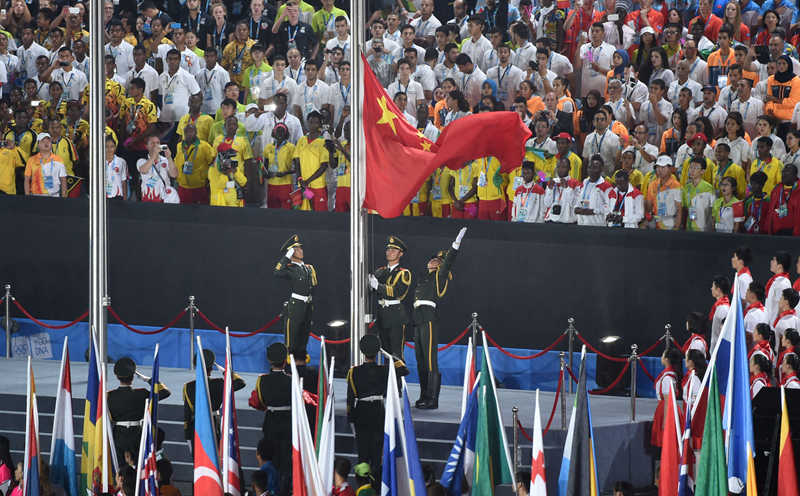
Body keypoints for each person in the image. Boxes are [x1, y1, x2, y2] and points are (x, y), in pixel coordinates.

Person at [414, 227, 467, 409]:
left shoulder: (440, 276)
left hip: (429, 319)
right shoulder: (424, 277)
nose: (433, 260)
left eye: (437, 260)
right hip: (418, 319)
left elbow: (448, 262)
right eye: (432, 258)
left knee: (430, 360)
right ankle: (423, 395)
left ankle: (432, 399)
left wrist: (455, 245)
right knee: (420, 360)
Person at [108, 356, 171, 466]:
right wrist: (148, 379)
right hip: (137, 434)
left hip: (118, 435)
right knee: (138, 466)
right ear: (133, 376)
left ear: (116, 376)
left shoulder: (109, 395)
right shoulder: (142, 393)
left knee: (120, 467)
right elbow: (165, 392)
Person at [346, 334, 390, 477]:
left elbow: (350, 399)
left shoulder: (354, 371)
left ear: (362, 351)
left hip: (362, 413)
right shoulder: (384, 370)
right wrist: (386, 354)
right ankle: (376, 485)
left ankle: (362, 483)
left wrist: (351, 419)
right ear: (377, 351)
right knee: (377, 453)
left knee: (363, 453)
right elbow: (403, 369)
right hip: (378, 411)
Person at [249, 343, 291, 488]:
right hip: (288, 423)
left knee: (270, 458)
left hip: (271, 422)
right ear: (285, 360)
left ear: (269, 360)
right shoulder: (292, 380)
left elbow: (257, 403)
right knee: (285, 459)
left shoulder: (262, 380)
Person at [183, 348, 246, 446]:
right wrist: (225, 372)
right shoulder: (219, 384)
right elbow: (240, 383)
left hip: (196, 425)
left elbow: (187, 413)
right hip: (213, 424)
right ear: (212, 368)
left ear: (196, 367)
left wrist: (187, 436)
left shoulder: (188, 387)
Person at [274, 234, 317, 360]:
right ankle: (289, 361)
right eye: (296, 249)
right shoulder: (290, 268)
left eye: (300, 248)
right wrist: (286, 257)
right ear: (291, 252)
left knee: (304, 335)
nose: (301, 251)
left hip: (307, 305)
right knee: (292, 335)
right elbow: (277, 272)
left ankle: (301, 359)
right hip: (296, 304)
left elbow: (313, 287)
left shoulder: (308, 268)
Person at [368, 236, 412, 359]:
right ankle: (387, 378)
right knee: (385, 353)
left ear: (400, 254)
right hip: (382, 315)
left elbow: (397, 292)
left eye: (394, 250)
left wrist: (378, 286)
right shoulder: (381, 271)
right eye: (388, 250)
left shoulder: (403, 273)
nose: (390, 252)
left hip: (395, 316)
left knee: (396, 354)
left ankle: (397, 378)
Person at [293, 111, 330, 211]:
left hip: (318, 186)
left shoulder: (323, 142)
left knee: (319, 212)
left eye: (315, 122)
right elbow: (297, 161)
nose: (312, 125)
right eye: (310, 122)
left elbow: (323, 166)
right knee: (306, 211)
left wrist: (307, 181)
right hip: (304, 186)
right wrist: (300, 179)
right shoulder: (302, 140)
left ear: (320, 124)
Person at [175, 123, 214, 204]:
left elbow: (212, 163)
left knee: (202, 212)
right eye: (186, 132)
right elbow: (177, 162)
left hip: (199, 187)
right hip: (182, 187)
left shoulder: (204, 146)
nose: (188, 134)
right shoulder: (179, 146)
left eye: (191, 131)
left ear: (196, 133)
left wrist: (208, 179)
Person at [651, 347, 681, 447]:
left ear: (667, 359)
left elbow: (668, 401)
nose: (661, 357)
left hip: (665, 410)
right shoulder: (669, 375)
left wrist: (665, 421)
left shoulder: (668, 378)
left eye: (663, 355)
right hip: (664, 409)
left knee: (665, 441)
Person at [137, 135, 179, 203]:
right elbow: (143, 170)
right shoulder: (142, 161)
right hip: (147, 200)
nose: (155, 145)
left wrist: (169, 157)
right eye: (152, 143)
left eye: (158, 143)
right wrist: (154, 155)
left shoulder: (166, 160)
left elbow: (174, 175)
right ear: (146, 146)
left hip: (164, 200)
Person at [23, 133, 66, 197]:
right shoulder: (31, 160)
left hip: (54, 196)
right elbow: (27, 180)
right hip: (36, 196)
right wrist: (27, 196)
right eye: (43, 141)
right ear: (38, 144)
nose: (46, 143)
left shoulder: (59, 160)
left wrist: (64, 197)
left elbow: (63, 180)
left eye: (48, 141)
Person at [575, 155, 613, 226]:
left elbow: (609, 207)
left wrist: (594, 211)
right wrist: (577, 208)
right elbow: (579, 200)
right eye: (589, 167)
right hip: (581, 224)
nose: (591, 170)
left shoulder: (606, 186)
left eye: (595, 168)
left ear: (601, 169)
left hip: (598, 226)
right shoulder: (584, 183)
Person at [764, 164, 800, 236]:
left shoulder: (798, 190)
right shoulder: (777, 189)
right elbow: (770, 211)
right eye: (783, 172)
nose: (783, 174)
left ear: (795, 175)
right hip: (775, 232)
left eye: (787, 172)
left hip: (793, 234)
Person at [681, 157, 715, 232]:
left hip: (703, 228)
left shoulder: (708, 188)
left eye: (696, 168)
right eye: (691, 167)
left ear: (702, 171)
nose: (692, 170)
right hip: (689, 228)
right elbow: (685, 208)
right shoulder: (686, 188)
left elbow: (712, 211)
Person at [766, 251, 793, 324]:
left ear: (780, 266)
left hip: (776, 326)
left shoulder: (783, 283)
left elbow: (783, 307)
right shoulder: (776, 281)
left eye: (774, 260)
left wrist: (776, 326)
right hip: (771, 323)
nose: (771, 262)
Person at [709, 275, 731, 349]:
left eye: (713, 286)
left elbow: (725, 334)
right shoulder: (719, 306)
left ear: (718, 290)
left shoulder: (723, 309)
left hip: (719, 351)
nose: (711, 288)